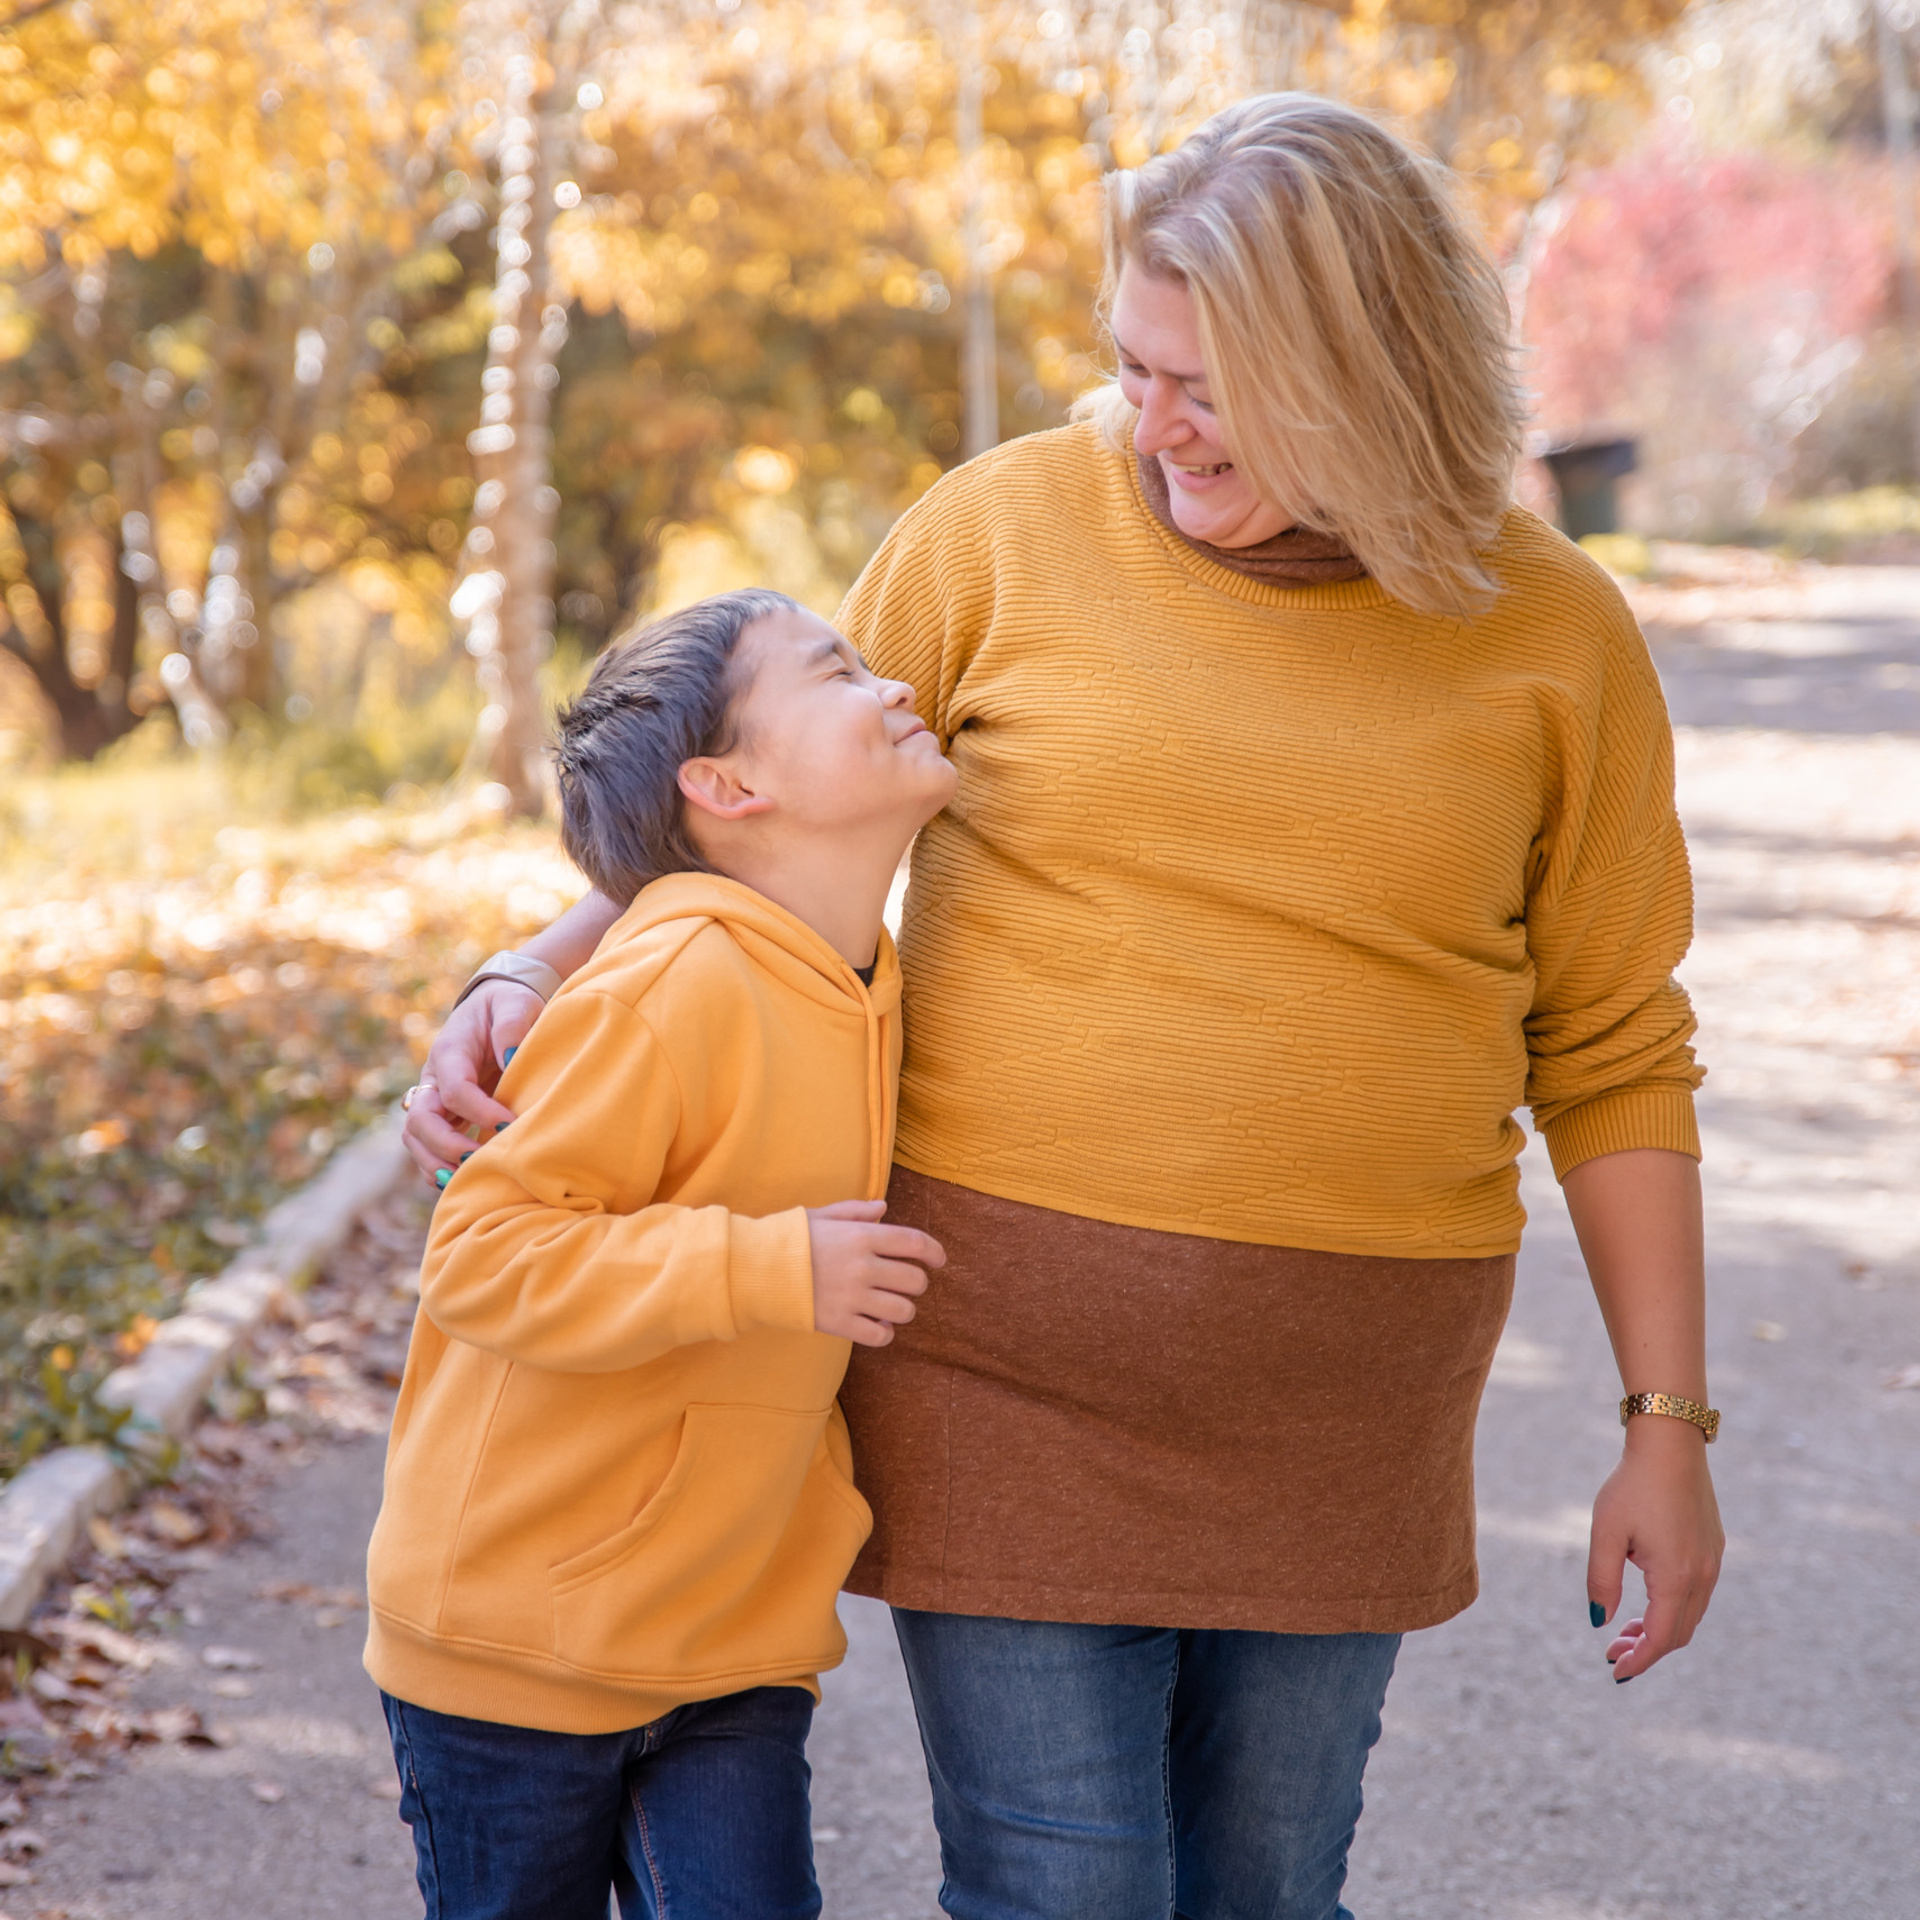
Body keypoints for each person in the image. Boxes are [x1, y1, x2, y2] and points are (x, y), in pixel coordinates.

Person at [404, 95, 1724, 1920]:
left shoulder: (1552, 636)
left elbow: (1613, 1042)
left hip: (1342, 1410)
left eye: (1209, 384)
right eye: (1129, 365)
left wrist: (1669, 1423)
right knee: (1058, 1899)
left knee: (1266, 1893)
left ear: (1370, 370)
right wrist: (528, 968)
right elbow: (759, 800)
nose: (1151, 425)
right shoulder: (1005, 530)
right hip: (997, 1370)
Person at [367, 588, 954, 1920]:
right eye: (838, 672)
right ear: (727, 784)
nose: (895, 687)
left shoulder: (867, 975)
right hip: (514, 1651)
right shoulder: (670, 983)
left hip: (727, 1639)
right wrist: (767, 1271)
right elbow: (484, 1253)